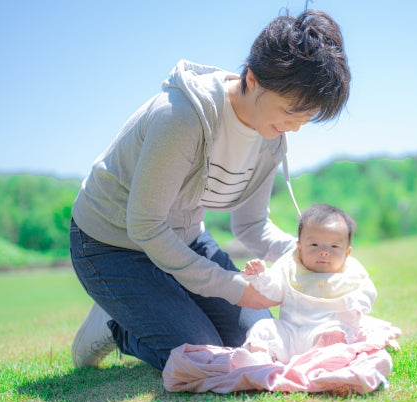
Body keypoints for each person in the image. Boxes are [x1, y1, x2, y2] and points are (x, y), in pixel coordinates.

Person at [69, 9, 351, 371]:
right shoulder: (182, 117)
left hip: (183, 238)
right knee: (205, 354)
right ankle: (116, 322)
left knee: (259, 340)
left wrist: (309, 254)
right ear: (252, 78)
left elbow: (251, 225)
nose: (294, 128)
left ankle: (149, 304)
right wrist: (232, 286)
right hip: (111, 244)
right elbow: (145, 225)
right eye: (289, 112)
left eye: (305, 119)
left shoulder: (272, 136)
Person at [241, 204, 377, 364]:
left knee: (335, 335)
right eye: (314, 245)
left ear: (347, 252)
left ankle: (315, 361)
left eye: (334, 246)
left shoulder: (351, 273)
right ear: (299, 247)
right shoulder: (291, 267)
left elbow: (367, 293)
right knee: (262, 328)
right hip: (289, 333)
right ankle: (259, 360)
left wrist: (355, 304)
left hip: (323, 333)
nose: (324, 251)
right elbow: (274, 291)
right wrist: (261, 276)